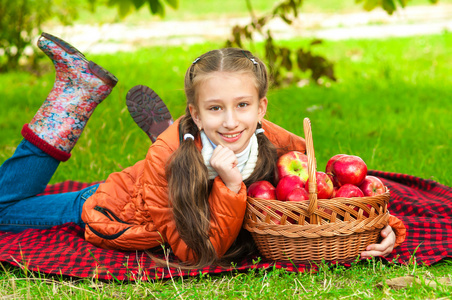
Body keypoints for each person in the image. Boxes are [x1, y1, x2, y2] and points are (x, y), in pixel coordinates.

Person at [0, 33, 405, 267]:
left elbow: (329, 191)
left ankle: (185, 138)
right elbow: (195, 252)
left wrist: (382, 225)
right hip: (119, 204)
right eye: (215, 109)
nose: (232, 121)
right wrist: (230, 186)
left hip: (165, 170)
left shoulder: (280, 143)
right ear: (194, 109)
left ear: (261, 108)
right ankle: (72, 99)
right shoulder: (167, 160)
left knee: (183, 153)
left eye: (242, 106)